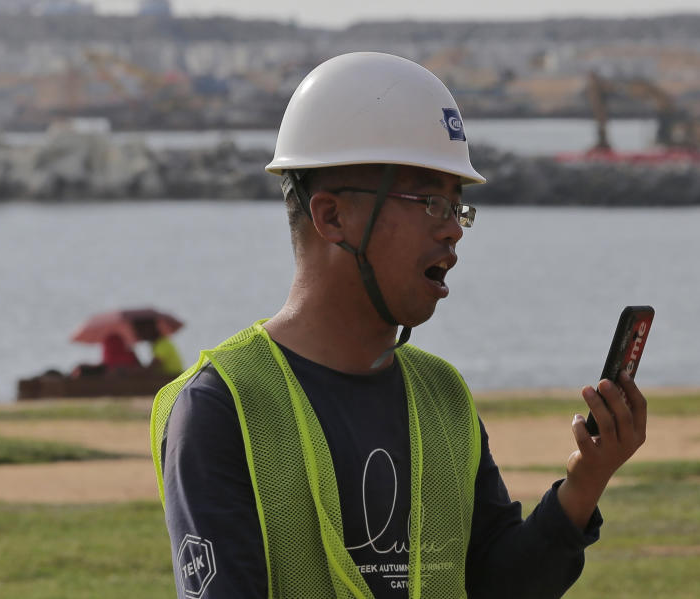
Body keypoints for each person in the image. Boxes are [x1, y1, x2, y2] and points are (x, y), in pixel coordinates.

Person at [149, 52, 647, 599]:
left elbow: (494, 586)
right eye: (431, 201)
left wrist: (584, 483)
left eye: (458, 209)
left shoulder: (441, 397)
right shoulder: (224, 408)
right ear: (332, 216)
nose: (454, 232)